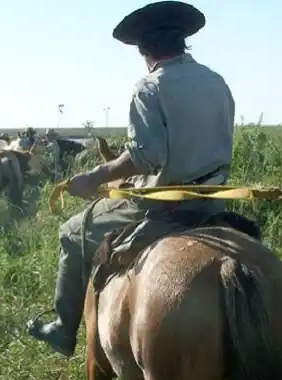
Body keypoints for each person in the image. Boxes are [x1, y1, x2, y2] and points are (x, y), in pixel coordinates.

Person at [27, 0, 236, 358]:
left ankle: (64, 329)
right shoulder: (216, 81)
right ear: (184, 40)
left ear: (144, 49)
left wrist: (95, 176)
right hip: (215, 201)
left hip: (166, 209)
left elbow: (146, 156)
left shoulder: (150, 87)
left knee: (72, 232)